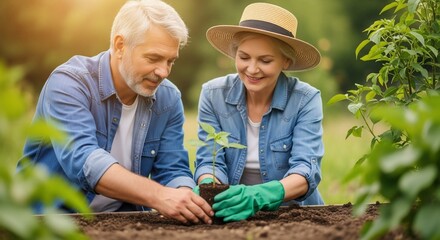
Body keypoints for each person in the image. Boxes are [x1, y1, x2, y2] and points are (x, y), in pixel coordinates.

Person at [18, 0, 213, 225]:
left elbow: (172, 169)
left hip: (122, 219)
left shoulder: (168, 98)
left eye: (171, 61)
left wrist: (186, 196)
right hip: (48, 220)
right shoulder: (69, 83)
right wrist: (160, 196)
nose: (163, 72)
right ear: (120, 45)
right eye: (154, 58)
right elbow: (84, 160)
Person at [194, 2, 324, 222]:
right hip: (231, 214)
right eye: (244, 57)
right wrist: (211, 189)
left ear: (286, 61)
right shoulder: (212, 94)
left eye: (265, 60)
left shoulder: (305, 99)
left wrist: (260, 195)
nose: (252, 69)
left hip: (292, 215)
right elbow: (208, 160)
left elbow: (306, 170)